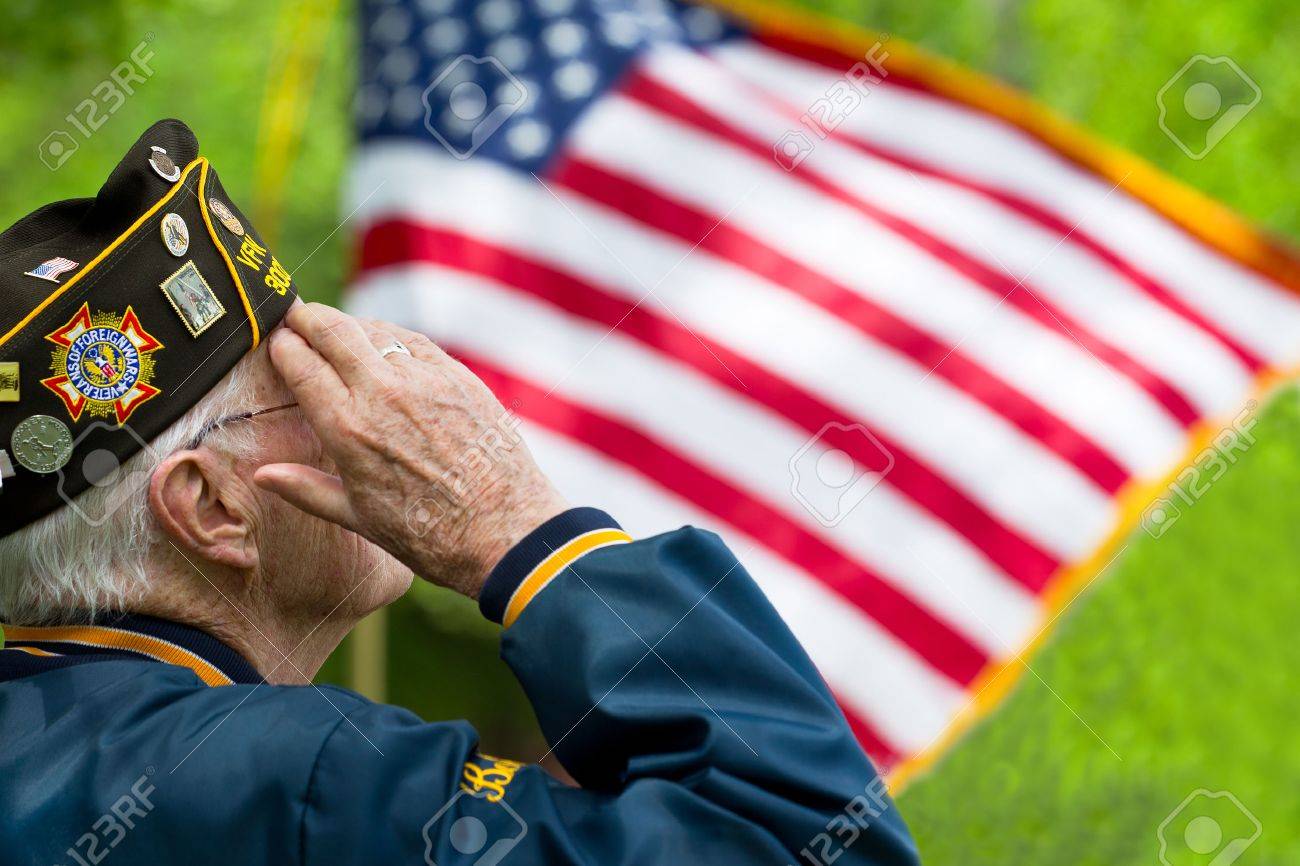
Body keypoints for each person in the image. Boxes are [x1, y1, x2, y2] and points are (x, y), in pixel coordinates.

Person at [0, 122, 918, 865]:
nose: (386, 402)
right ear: (212, 509)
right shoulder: (299, 785)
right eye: (309, 376)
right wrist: (519, 529)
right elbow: (809, 844)